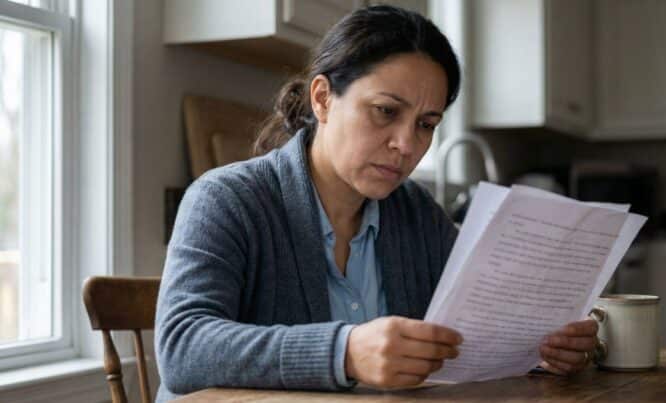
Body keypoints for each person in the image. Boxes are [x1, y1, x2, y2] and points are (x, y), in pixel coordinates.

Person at [154, 5, 598, 402]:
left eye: (426, 124)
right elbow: (183, 349)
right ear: (323, 98)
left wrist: (542, 348)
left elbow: (477, 332)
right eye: (386, 111)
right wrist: (344, 352)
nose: (407, 145)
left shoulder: (418, 214)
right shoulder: (226, 199)